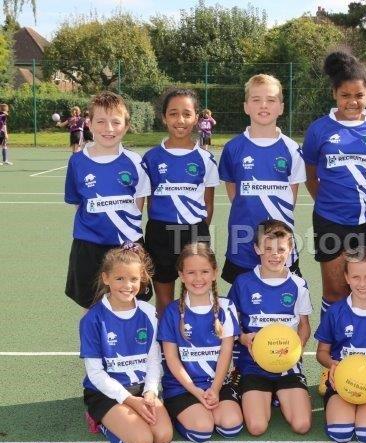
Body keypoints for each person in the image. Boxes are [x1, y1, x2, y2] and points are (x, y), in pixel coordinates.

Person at [302, 50, 366, 321]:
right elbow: (310, 175)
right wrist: (329, 203)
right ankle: (331, 344)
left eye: (359, 95)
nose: (352, 102)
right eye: (345, 95)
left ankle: (365, 343)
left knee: (363, 289)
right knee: (334, 291)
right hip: (330, 220)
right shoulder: (318, 129)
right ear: (334, 94)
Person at [79, 243, 172, 443]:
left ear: (142, 279)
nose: (127, 285)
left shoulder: (148, 313)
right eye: (119, 278)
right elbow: (95, 373)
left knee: (163, 437)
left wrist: (150, 392)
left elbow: (154, 360)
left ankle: (130, 415)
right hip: (106, 393)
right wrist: (128, 400)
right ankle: (99, 420)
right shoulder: (93, 319)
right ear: (106, 278)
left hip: (141, 388)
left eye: (133, 279)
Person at [64, 92, 152, 309]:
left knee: (130, 304)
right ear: (89, 124)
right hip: (88, 245)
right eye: (101, 121)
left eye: (116, 122)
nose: (108, 128)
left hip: (127, 245)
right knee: (91, 306)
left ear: (126, 125)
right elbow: (78, 203)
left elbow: (138, 204)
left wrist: (128, 235)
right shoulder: (77, 162)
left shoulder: (135, 162)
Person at [219, 74, 305, 284]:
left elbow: (291, 197)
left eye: (271, 100)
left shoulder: (292, 149)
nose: (263, 105)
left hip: (279, 244)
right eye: (256, 100)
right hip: (242, 239)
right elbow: (234, 194)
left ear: (281, 107)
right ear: (246, 106)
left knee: (282, 295)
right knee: (241, 295)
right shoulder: (233, 148)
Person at [228, 219, 312, 436]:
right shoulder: (243, 283)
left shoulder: (298, 285)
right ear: (257, 249)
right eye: (268, 249)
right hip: (253, 364)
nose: (275, 255)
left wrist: (296, 351)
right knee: (257, 427)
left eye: (281, 249)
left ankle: (279, 393)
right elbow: (231, 322)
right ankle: (247, 383)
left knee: (302, 425)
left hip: (286, 364)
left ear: (290, 250)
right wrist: (242, 337)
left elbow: (304, 326)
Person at [142, 89, 220, 317]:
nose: (180, 120)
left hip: (194, 232)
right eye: (173, 113)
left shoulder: (205, 159)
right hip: (159, 233)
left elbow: (208, 204)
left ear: (196, 118)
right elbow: (149, 200)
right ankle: (167, 339)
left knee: (197, 296)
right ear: (164, 117)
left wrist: (197, 231)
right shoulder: (151, 158)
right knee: (164, 301)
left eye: (187, 114)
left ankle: (195, 337)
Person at [158, 243, 244, 442]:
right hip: (183, 387)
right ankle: (175, 413)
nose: (198, 278)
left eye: (204, 271)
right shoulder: (172, 311)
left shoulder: (226, 306)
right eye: (191, 272)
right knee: (202, 430)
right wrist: (195, 391)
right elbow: (171, 359)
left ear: (214, 273)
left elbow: (226, 353)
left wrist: (215, 389)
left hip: (217, 383)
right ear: (181, 275)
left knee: (231, 426)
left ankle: (206, 407)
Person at [314, 247, 366, 443]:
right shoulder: (335, 312)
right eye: (356, 277)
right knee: (340, 433)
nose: (362, 283)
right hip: (342, 382)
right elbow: (321, 352)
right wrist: (333, 365)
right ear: (346, 277)